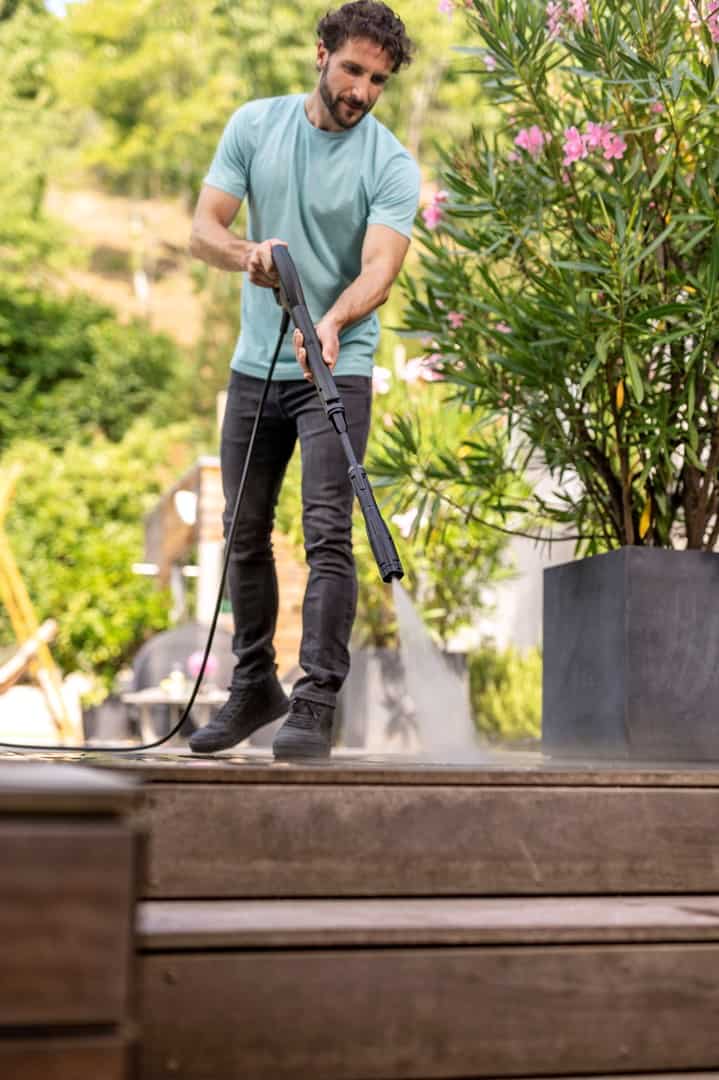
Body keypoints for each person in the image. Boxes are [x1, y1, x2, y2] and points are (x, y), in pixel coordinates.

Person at [188, 0, 420, 759]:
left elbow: (379, 269)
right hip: (257, 363)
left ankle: (315, 701)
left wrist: (333, 321)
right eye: (352, 70)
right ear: (321, 54)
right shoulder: (255, 126)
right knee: (242, 531)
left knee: (326, 532)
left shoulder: (390, 163)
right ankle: (254, 685)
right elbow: (204, 231)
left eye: (377, 81)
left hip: (336, 363)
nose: (361, 91)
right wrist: (248, 255)